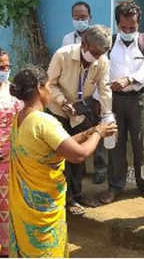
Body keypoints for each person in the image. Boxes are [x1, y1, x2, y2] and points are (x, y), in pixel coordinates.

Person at [8, 65, 117, 257]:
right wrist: (99, 133)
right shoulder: (44, 122)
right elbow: (79, 155)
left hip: (25, 207)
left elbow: (58, 146)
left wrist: (88, 132)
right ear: (40, 88)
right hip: (43, 209)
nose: (50, 90)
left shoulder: (20, 118)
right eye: (49, 86)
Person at [47, 24, 113, 214]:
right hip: (58, 112)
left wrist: (108, 115)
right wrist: (62, 101)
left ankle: (76, 196)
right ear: (84, 44)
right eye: (95, 52)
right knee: (59, 157)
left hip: (80, 113)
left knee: (77, 157)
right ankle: (61, 199)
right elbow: (49, 84)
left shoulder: (102, 61)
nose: (97, 57)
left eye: (102, 53)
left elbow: (105, 88)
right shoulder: (63, 55)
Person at [99, 1, 144, 204]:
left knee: (141, 142)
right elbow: (101, 70)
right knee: (114, 143)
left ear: (138, 24)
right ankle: (115, 186)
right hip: (114, 101)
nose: (128, 31)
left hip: (140, 98)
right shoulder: (110, 43)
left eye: (132, 27)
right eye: (123, 27)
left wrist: (129, 79)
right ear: (117, 24)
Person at [62, 1, 107, 185]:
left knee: (97, 130)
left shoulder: (99, 38)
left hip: (92, 94)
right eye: (76, 17)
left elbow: (103, 71)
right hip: (74, 97)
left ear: (90, 17)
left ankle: (100, 169)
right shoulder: (67, 39)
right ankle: (78, 170)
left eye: (83, 17)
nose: (80, 20)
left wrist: (97, 99)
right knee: (78, 132)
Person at [0, 49, 23, 256]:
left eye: (8, 67)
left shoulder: (14, 91)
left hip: (10, 157)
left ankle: (7, 249)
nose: (5, 71)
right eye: (1, 67)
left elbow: (21, 122)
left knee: (8, 204)